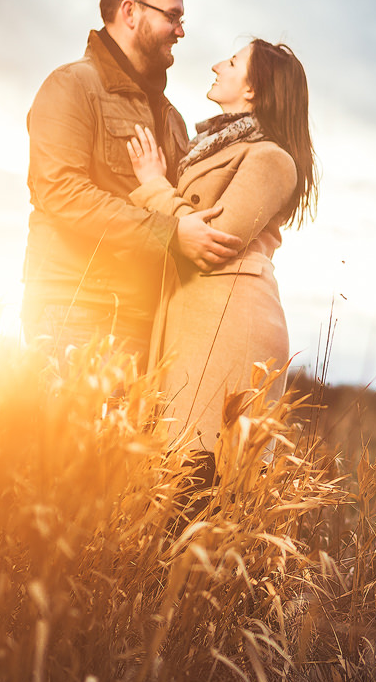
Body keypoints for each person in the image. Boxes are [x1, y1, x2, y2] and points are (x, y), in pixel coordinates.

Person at [22, 0, 243, 357]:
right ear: (130, 12)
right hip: (78, 310)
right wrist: (170, 234)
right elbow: (61, 193)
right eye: (172, 17)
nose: (181, 31)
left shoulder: (172, 119)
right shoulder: (72, 86)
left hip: (152, 321)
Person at [126, 39, 317, 453]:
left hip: (231, 325)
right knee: (177, 473)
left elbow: (218, 238)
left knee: (203, 478)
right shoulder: (216, 148)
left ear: (253, 89)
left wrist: (154, 185)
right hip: (197, 317)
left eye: (231, 62)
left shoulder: (272, 159)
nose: (217, 65)